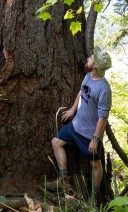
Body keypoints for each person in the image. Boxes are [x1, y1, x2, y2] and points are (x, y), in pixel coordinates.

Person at [46, 46, 112, 197]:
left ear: (95, 65)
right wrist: (72, 109)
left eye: (91, 58)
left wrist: (95, 139)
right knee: (56, 142)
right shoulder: (88, 76)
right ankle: (63, 180)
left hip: (89, 134)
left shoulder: (104, 89)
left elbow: (103, 116)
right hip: (75, 125)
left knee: (96, 164)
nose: (88, 58)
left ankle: (94, 197)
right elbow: (81, 92)